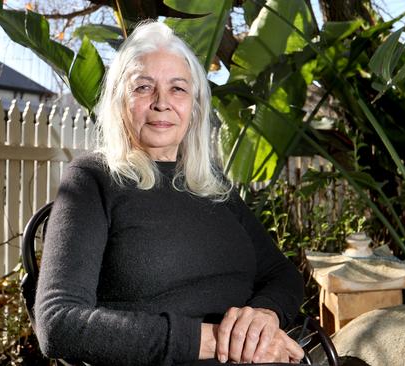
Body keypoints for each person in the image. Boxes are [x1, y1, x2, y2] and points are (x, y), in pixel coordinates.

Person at [35, 20, 305, 366]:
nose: (162, 103)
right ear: (119, 102)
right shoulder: (91, 180)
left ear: (195, 107)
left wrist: (263, 318)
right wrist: (213, 340)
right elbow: (59, 324)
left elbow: (282, 274)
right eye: (143, 87)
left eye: (178, 89)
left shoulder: (212, 184)